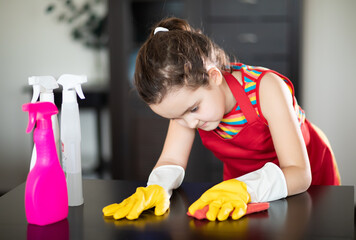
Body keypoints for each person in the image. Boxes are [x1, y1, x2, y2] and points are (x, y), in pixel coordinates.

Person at [103, 17, 340, 222]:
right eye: (176, 117)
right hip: (243, 189)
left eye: (194, 109)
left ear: (214, 77)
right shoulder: (187, 107)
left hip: (305, 180)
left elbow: (299, 173)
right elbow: (171, 158)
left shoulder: (266, 89)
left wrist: (245, 188)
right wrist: (157, 186)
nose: (190, 123)